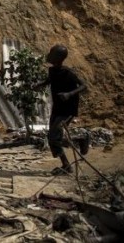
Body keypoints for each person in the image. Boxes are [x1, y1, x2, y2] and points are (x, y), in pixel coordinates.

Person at [35, 45, 88, 175]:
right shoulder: (52, 70)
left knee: (54, 136)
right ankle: (66, 165)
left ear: (58, 57)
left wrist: (69, 94)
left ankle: (81, 138)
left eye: (51, 53)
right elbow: (50, 80)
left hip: (68, 109)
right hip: (57, 108)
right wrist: (40, 84)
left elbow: (84, 86)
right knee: (52, 137)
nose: (48, 54)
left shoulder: (67, 72)